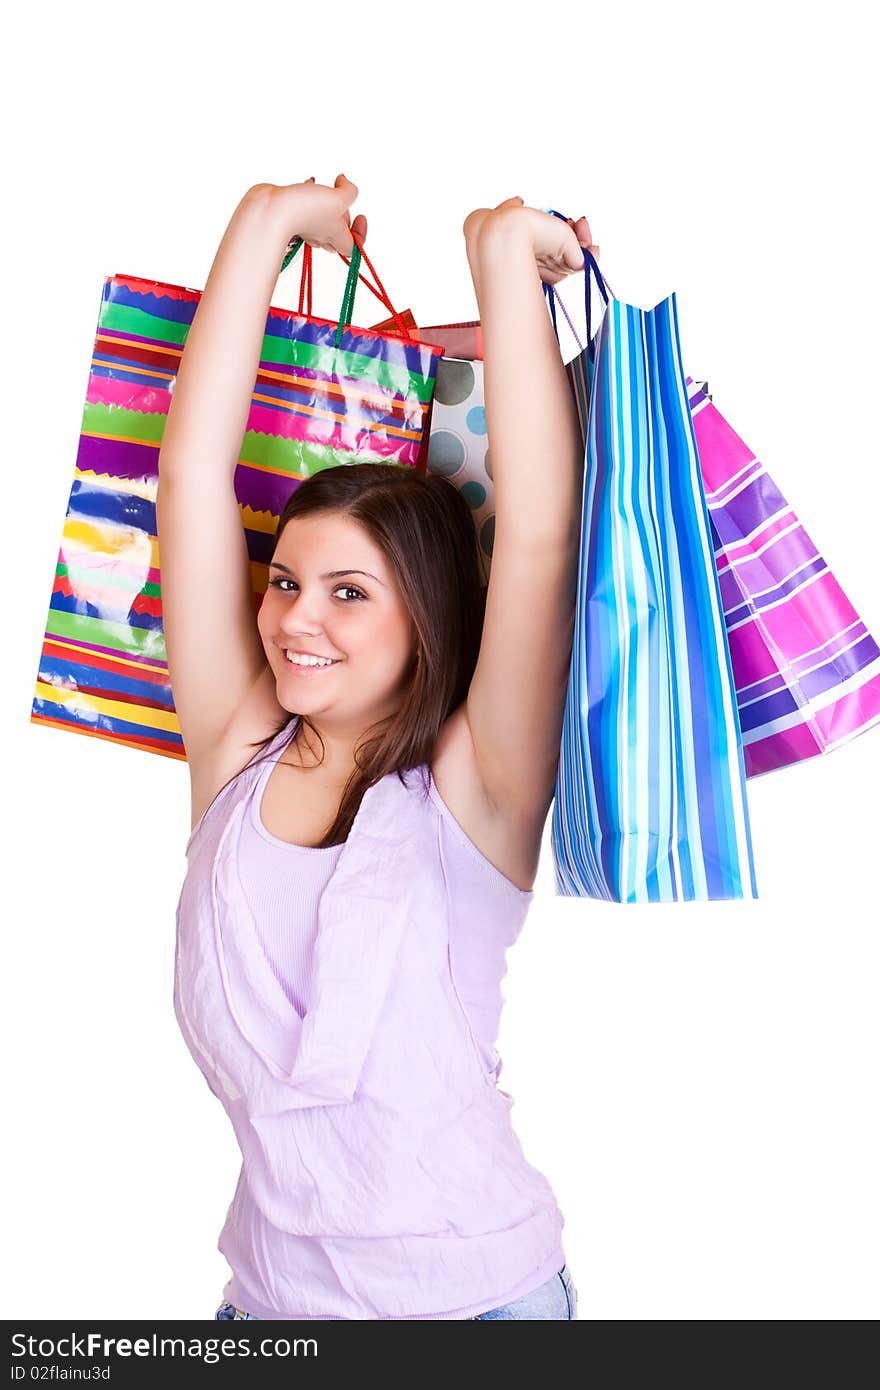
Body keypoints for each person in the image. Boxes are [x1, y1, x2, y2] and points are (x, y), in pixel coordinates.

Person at [157, 174, 597, 1321]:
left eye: (349, 593)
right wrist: (265, 221)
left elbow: (540, 538)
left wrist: (501, 255)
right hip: (275, 1306)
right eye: (289, 581)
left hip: (481, 1299)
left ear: (427, 618)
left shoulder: (473, 790)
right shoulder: (238, 748)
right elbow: (192, 474)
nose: (297, 617)